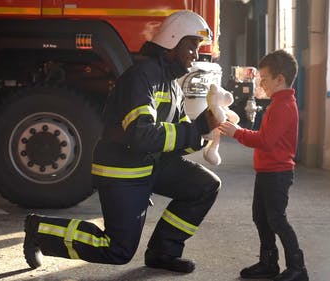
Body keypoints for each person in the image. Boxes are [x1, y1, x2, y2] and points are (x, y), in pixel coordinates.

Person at [23, 10, 221, 274]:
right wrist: (195, 129)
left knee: (205, 186)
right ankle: (40, 230)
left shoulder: (172, 83)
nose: (195, 54)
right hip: (123, 169)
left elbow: (176, 137)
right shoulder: (142, 77)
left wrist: (204, 133)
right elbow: (140, 135)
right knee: (116, 250)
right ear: (172, 41)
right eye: (191, 46)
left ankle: (163, 252)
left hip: (150, 164)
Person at [219, 49, 308, 281]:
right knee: (261, 217)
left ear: (280, 79)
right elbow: (265, 136)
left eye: (264, 79)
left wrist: (237, 132)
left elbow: (265, 141)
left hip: (278, 173)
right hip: (267, 171)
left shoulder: (283, 106)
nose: (261, 84)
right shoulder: (278, 103)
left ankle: (298, 268)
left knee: (277, 219)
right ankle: (268, 262)